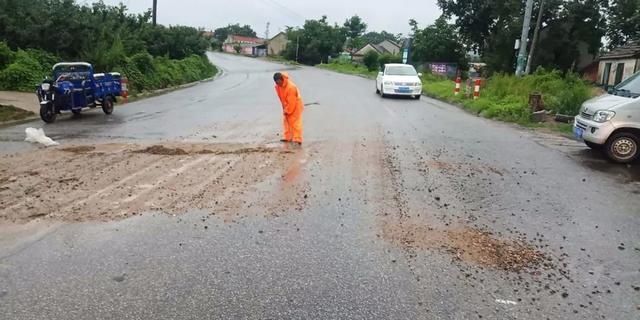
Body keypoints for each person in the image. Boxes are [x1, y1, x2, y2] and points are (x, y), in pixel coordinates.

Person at [273, 72, 304, 145]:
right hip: (287, 105)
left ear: (282, 79)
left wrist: (287, 111)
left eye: (279, 82)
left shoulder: (291, 87)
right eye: (277, 83)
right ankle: (288, 137)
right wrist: (284, 108)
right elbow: (282, 98)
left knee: (295, 122)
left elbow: (292, 102)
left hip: (296, 105)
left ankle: (297, 139)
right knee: (286, 121)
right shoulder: (278, 86)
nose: (278, 84)